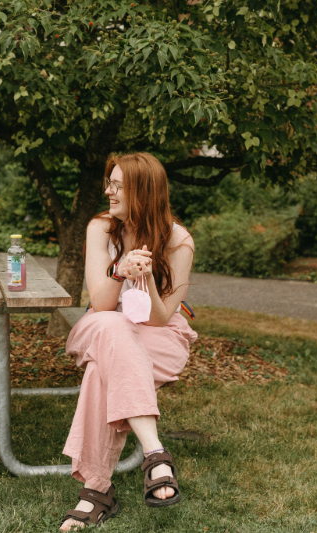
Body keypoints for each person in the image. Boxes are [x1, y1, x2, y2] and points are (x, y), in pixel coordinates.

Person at [59, 152, 197, 531]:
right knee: (113, 327)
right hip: (101, 324)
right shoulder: (100, 229)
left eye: (118, 186)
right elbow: (102, 304)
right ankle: (155, 454)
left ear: (143, 192)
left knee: (101, 373)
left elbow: (161, 317)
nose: (108, 191)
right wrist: (120, 271)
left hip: (158, 334)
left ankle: (97, 491)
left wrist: (147, 277)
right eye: (109, 183)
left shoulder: (179, 241)